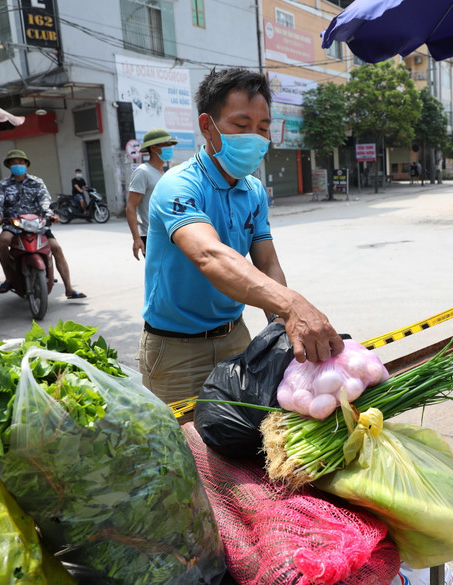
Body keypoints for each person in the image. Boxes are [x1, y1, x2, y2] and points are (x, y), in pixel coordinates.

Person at [139, 67, 343, 406]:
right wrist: (292, 304)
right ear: (208, 126)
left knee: (242, 442)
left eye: (263, 128)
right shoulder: (178, 185)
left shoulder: (254, 191)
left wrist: (280, 327)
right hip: (174, 349)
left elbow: (267, 262)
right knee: (181, 448)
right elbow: (209, 255)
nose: (255, 137)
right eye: (241, 125)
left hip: (236, 337)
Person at [0, 149, 86, 299]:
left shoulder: (37, 182)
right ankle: (9, 278)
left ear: (26, 164)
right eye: (14, 162)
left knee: (56, 248)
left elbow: (45, 201)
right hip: (14, 225)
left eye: (20, 162)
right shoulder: (2, 185)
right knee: (3, 241)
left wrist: (51, 215)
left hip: (37, 224)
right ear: (9, 165)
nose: (17, 164)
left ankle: (69, 289)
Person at [126, 128, 176, 260]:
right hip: (151, 235)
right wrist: (137, 239)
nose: (170, 148)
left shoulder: (163, 172)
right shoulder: (143, 172)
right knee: (158, 276)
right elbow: (131, 207)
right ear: (154, 148)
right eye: (167, 145)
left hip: (167, 233)